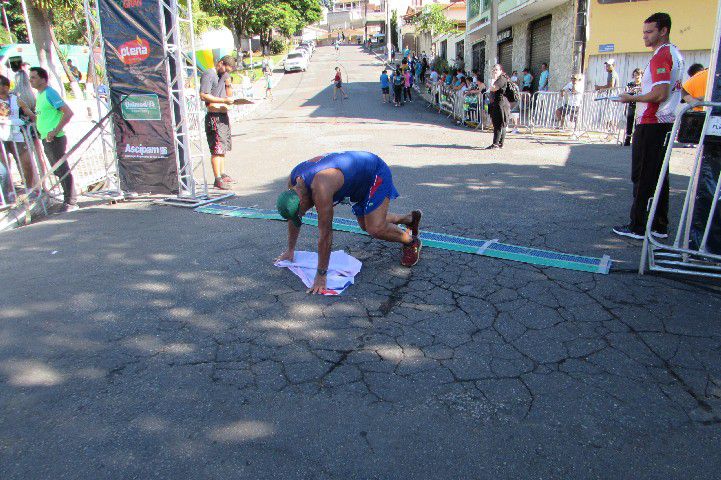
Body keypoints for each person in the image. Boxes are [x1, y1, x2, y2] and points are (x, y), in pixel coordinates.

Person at [275, 151, 423, 294]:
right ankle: (409, 219)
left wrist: (321, 275)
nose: (304, 213)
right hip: (356, 181)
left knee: (374, 228)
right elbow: (294, 219)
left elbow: (325, 234)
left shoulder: (320, 188)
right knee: (366, 224)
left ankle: (411, 242)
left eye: (302, 211)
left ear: (301, 200)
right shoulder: (294, 182)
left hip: (374, 173)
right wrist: (290, 250)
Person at [614, 12, 684, 240]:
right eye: (644, 32)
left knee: (643, 175)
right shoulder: (674, 53)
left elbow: (660, 93)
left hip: (653, 123)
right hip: (662, 123)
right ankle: (658, 225)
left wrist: (631, 98)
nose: (644, 36)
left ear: (663, 31)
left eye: (649, 31)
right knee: (658, 175)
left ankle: (639, 226)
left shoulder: (662, 55)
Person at [28, 67, 77, 212]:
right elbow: (41, 118)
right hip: (46, 138)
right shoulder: (40, 95)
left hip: (55, 138)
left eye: (34, 77)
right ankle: (69, 198)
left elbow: (68, 112)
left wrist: (55, 131)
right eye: (30, 78)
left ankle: (71, 201)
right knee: (57, 170)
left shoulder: (50, 93)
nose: (31, 80)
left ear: (43, 79)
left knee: (62, 169)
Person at [199, 55, 247, 190]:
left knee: (223, 148)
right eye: (225, 69)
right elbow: (203, 95)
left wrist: (228, 83)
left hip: (223, 115)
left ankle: (222, 173)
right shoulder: (210, 74)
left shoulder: (223, 77)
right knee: (217, 149)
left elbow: (229, 95)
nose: (226, 73)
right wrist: (223, 101)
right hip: (214, 116)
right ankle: (217, 178)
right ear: (220, 63)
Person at [0, 75, 37, 192]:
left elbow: (30, 113)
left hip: (17, 135)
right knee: (4, 167)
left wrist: (34, 119)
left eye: (4, 86)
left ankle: (29, 189)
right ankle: (8, 192)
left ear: (6, 87)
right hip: (1, 136)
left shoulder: (15, 99)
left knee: (27, 163)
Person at [486, 64, 511, 149]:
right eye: (493, 70)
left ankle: (496, 144)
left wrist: (493, 79)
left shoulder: (501, 79)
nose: (494, 71)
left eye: (496, 70)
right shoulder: (502, 78)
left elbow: (493, 88)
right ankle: (500, 144)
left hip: (501, 104)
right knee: (502, 124)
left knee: (498, 124)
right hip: (501, 104)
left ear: (501, 71)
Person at [624, 68, 643, 146]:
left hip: (640, 105)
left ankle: (636, 139)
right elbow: (625, 92)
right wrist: (630, 92)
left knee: (638, 123)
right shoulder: (630, 84)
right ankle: (628, 138)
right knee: (630, 119)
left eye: (638, 75)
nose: (636, 77)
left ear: (641, 75)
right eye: (635, 75)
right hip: (632, 104)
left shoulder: (643, 84)